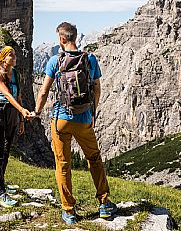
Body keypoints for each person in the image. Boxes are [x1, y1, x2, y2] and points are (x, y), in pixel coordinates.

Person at [31, 22, 117, 225]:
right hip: (84, 118)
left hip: (61, 120)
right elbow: (96, 87)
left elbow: (43, 91)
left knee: (63, 164)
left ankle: (69, 211)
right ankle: (104, 204)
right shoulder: (90, 59)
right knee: (94, 158)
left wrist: (37, 111)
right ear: (75, 37)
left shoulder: (55, 60)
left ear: (61, 39)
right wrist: (92, 112)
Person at [0, 45, 31, 208]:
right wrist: (21, 110)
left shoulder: (15, 74)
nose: (14, 57)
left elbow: (18, 96)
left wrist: (21, 120)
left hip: (12, 114)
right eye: (10, 55)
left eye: (14, 54)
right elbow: (6, 94)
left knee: (6, 149)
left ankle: (2, 184)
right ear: (3, 58)